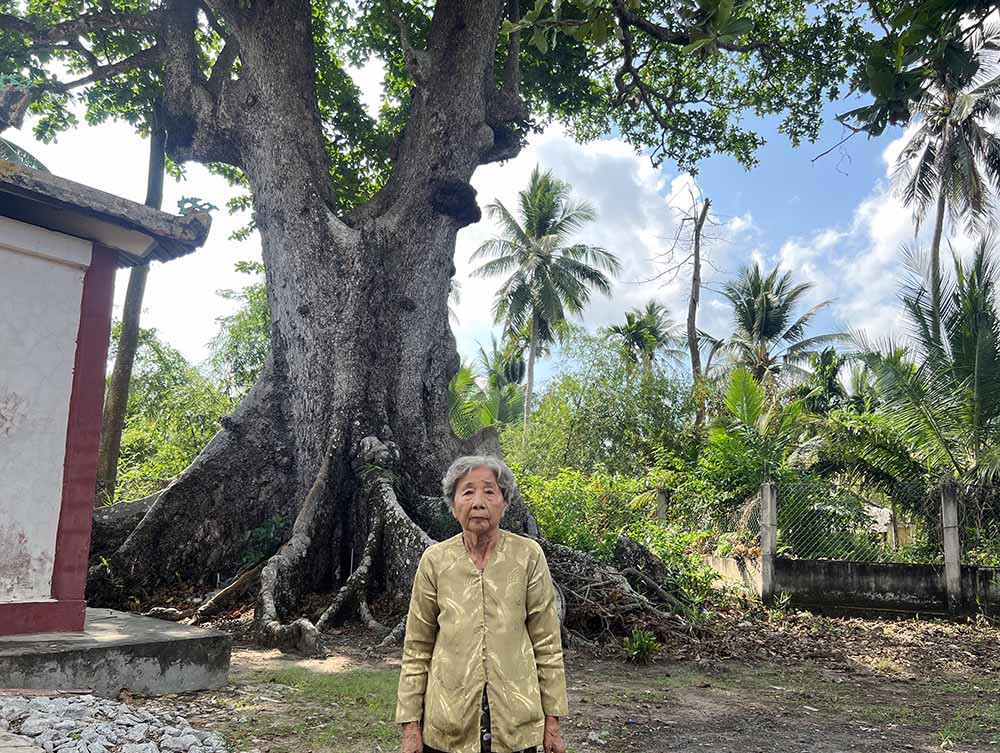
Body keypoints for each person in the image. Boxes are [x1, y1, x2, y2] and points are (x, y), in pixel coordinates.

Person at [396, 455, 568, 753]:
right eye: (467, 492)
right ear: (453, 505)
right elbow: (417, 647)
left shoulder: (528, 556)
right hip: (448, 721)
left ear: (505, 502)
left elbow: (547, 643)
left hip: (516, 720)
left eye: (489, 491)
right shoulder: (435, 561)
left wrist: (552, 722)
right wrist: (410, 726)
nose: (478, 502)